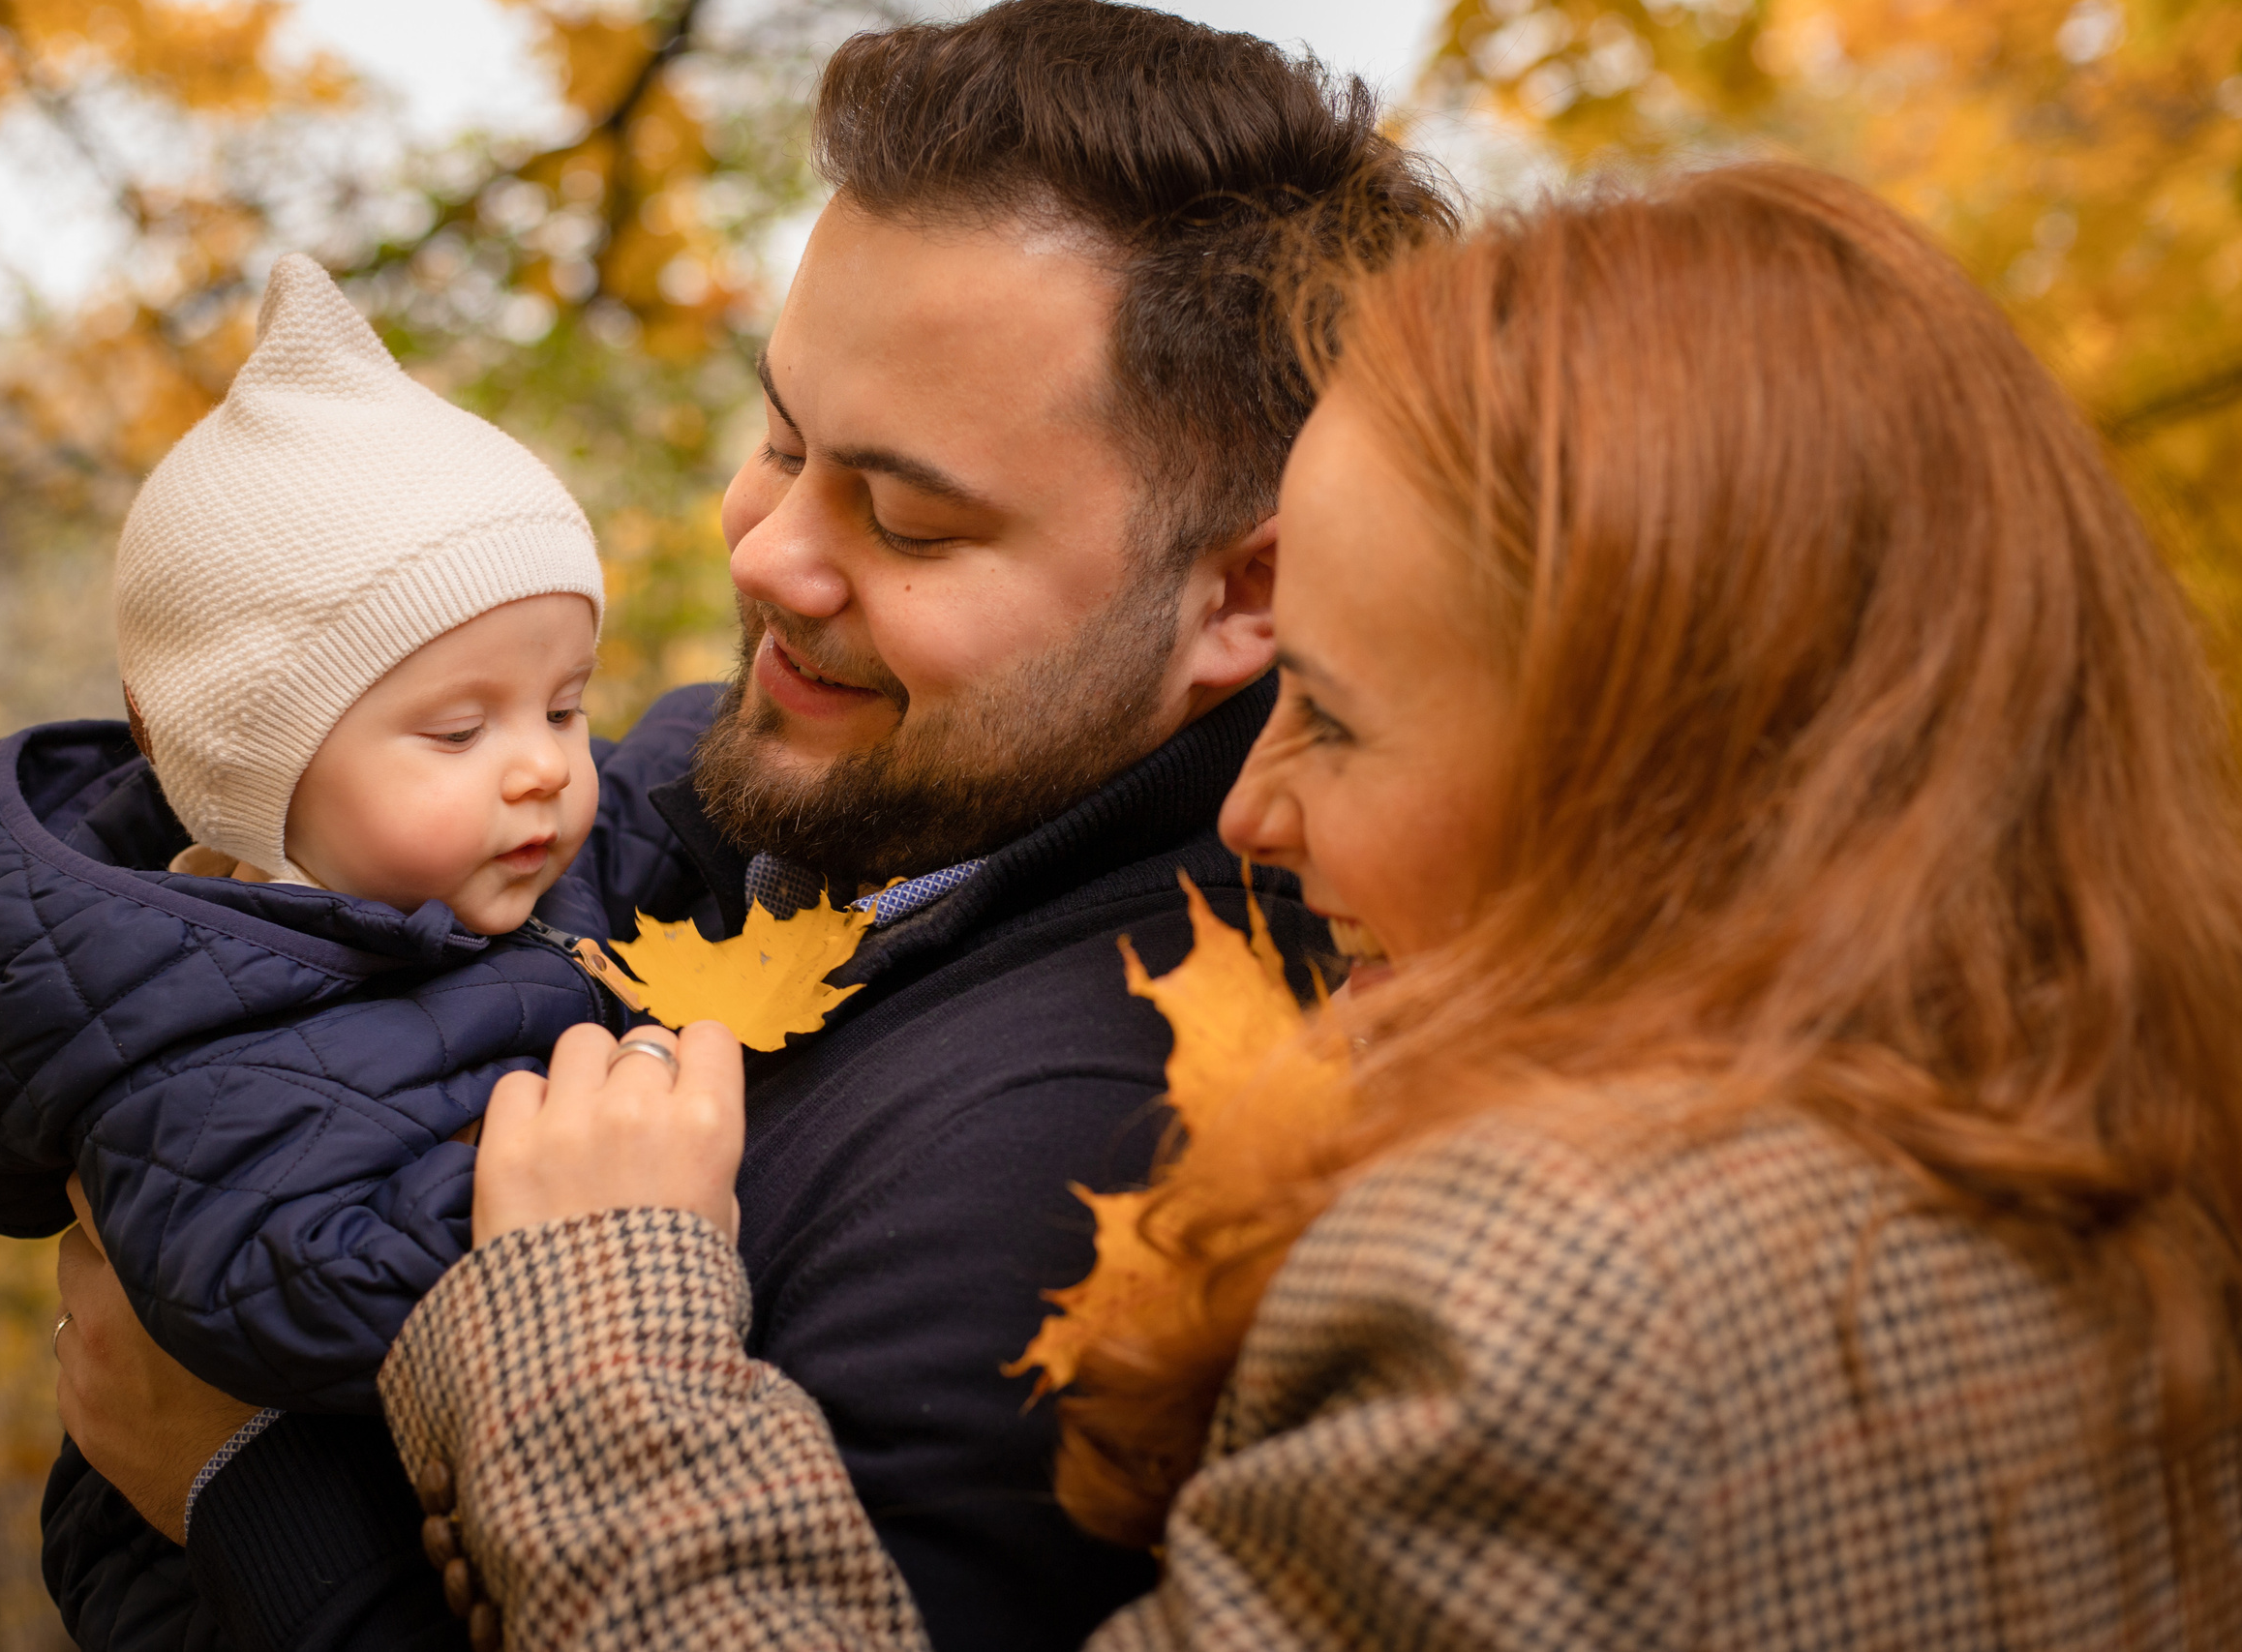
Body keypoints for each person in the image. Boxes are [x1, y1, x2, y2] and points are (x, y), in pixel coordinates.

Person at [373, 164, 2242, 1648]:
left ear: (1660, 770)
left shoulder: (1554, 1288)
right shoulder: (2122, 1159)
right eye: (782, 441)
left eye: (1334, 716)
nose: (1255, 810)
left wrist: (585, 1341)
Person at [45, 4, 1460, 1650]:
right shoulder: (790, 799)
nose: (768, 551)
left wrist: (241, 1488)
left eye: (911, 517)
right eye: (780, 438)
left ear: (1245, 593)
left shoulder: (1096, 1148)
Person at [0, 254, 629, 1556]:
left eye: (567, 704)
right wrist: (594, 1201)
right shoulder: (189, 1048)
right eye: (461, 727)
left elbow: (684, 787)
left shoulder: (515, 853)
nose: (543, 764)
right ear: (261, 778)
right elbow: (290, 1293)